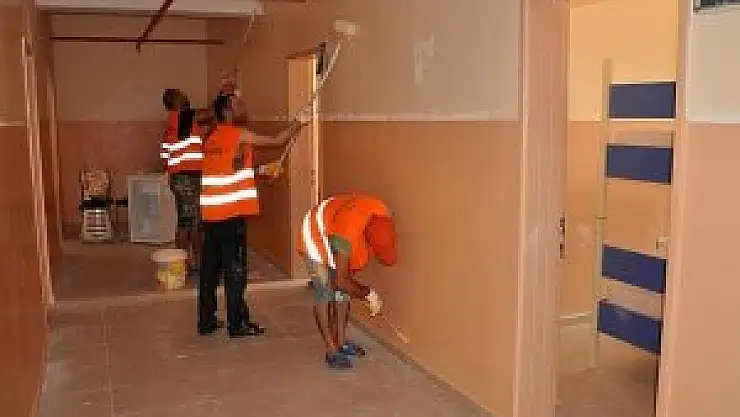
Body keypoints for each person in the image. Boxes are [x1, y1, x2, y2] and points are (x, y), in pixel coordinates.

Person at [190, 95, 299, 338]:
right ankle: (237, 323)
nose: (244, 106)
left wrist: (261, 171)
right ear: (228, 111)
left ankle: (206, 320)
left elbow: (229, 169)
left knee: (209, 270)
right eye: (238, 104)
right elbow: (277, 140)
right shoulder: (238, 134)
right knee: (235, 270)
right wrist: (298, 124)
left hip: (211, 213)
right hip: (231, 214)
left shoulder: (210, 137)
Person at [298, 194, 397, 369]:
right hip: (315, 230)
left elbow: (344, 284)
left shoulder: (379, 218)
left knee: (342, 294)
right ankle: (331, 349)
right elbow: (340, 280)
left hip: (335, 225)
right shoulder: (349, 228)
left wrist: (357, 290)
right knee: (325, 289)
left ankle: (341, 342)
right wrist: (368, 294)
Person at [161, 89, 203, 276]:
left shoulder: (179, 124)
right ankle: (188, 263)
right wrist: (225, 93)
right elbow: (211, 111)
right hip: (185, 178)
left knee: (187, 221)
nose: (186, 97)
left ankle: (186, 263)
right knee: (191, 222)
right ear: (174, 102)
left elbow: (165, 157)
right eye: (181, 96)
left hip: (182, 178)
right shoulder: (181, 117)